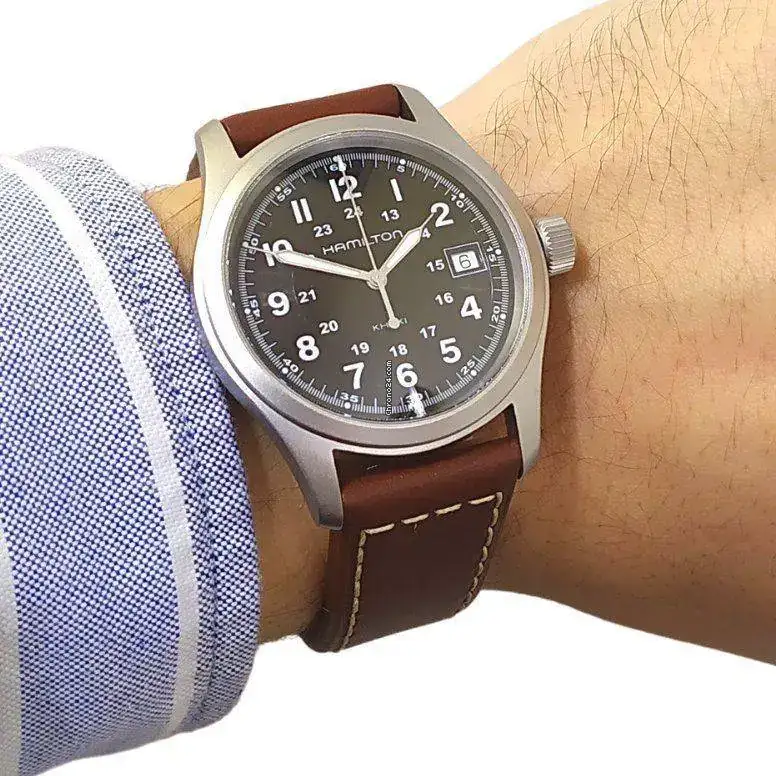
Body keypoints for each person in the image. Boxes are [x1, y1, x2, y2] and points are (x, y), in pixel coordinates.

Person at [1, 0, 774, 772]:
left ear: (544, 250)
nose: (376, 281)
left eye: (387, 270)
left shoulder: (507, 340)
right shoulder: (334, 470)